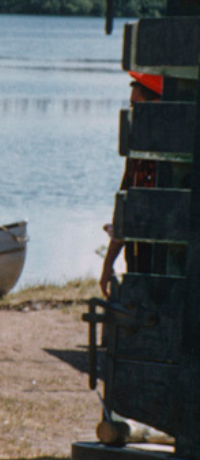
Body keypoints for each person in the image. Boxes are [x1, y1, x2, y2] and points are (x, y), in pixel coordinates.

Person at [100, 73, 163, 298]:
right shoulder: (136, 151)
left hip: (159, 263)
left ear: (157, 105)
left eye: (136, 105)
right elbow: (125, 208)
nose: (132, 112)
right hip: (136, 258)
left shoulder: (169, 155)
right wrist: (108, 263)